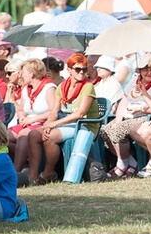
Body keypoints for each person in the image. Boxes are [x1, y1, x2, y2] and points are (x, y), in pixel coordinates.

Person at [27, 53, 99, 184]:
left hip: (85, 126)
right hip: (67, 123)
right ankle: (32, 176)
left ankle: (48, 173)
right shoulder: (62, 86)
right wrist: (48, 124)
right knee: (33, 135)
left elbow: (80, 114)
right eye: (77, 69)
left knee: (50, 137)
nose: (81, 72)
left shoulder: (88, 86)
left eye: (84, 69)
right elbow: (54, 111)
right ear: (69, 70)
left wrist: (53, 124)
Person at [100, 55, 151, 178]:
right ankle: (130, 162)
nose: (148, 72)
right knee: (104, 132)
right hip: (128, 115)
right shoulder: (135, 80)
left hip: (145, 117)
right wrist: (118, 119)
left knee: (117, 131)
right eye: (144, 69)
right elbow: (124, 100)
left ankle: (121, 165)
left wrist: (141, 108)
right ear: (139, 71)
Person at [8, 58, 57, 175]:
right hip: (27, 122)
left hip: (42, 122)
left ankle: (16, 171)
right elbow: (22, 109)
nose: (21, 76)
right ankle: (24, 162)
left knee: (23, 135)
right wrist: (21, 116)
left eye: (23, 73)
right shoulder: (26, 88)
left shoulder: (48, 87)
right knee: (2, 137)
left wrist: (32, 119)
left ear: (31, 74)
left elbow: (53, 111)